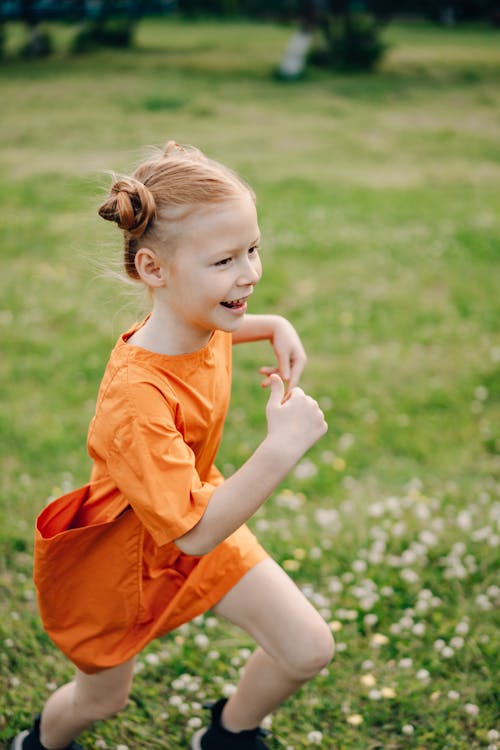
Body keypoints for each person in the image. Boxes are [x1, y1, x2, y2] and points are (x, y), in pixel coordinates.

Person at [11, 141, 334, 750]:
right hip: (121, 565)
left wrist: (277, 327)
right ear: (155, 270)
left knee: (308, 648)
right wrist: (280, 449)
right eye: (224, 262)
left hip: (197, 513)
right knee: (102, 701)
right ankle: (38, 745)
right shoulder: (135, 401)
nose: (250, 274)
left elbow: (195, 526)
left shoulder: (201, 317)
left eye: (253, 250)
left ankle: (231, 735)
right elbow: (192, 534)